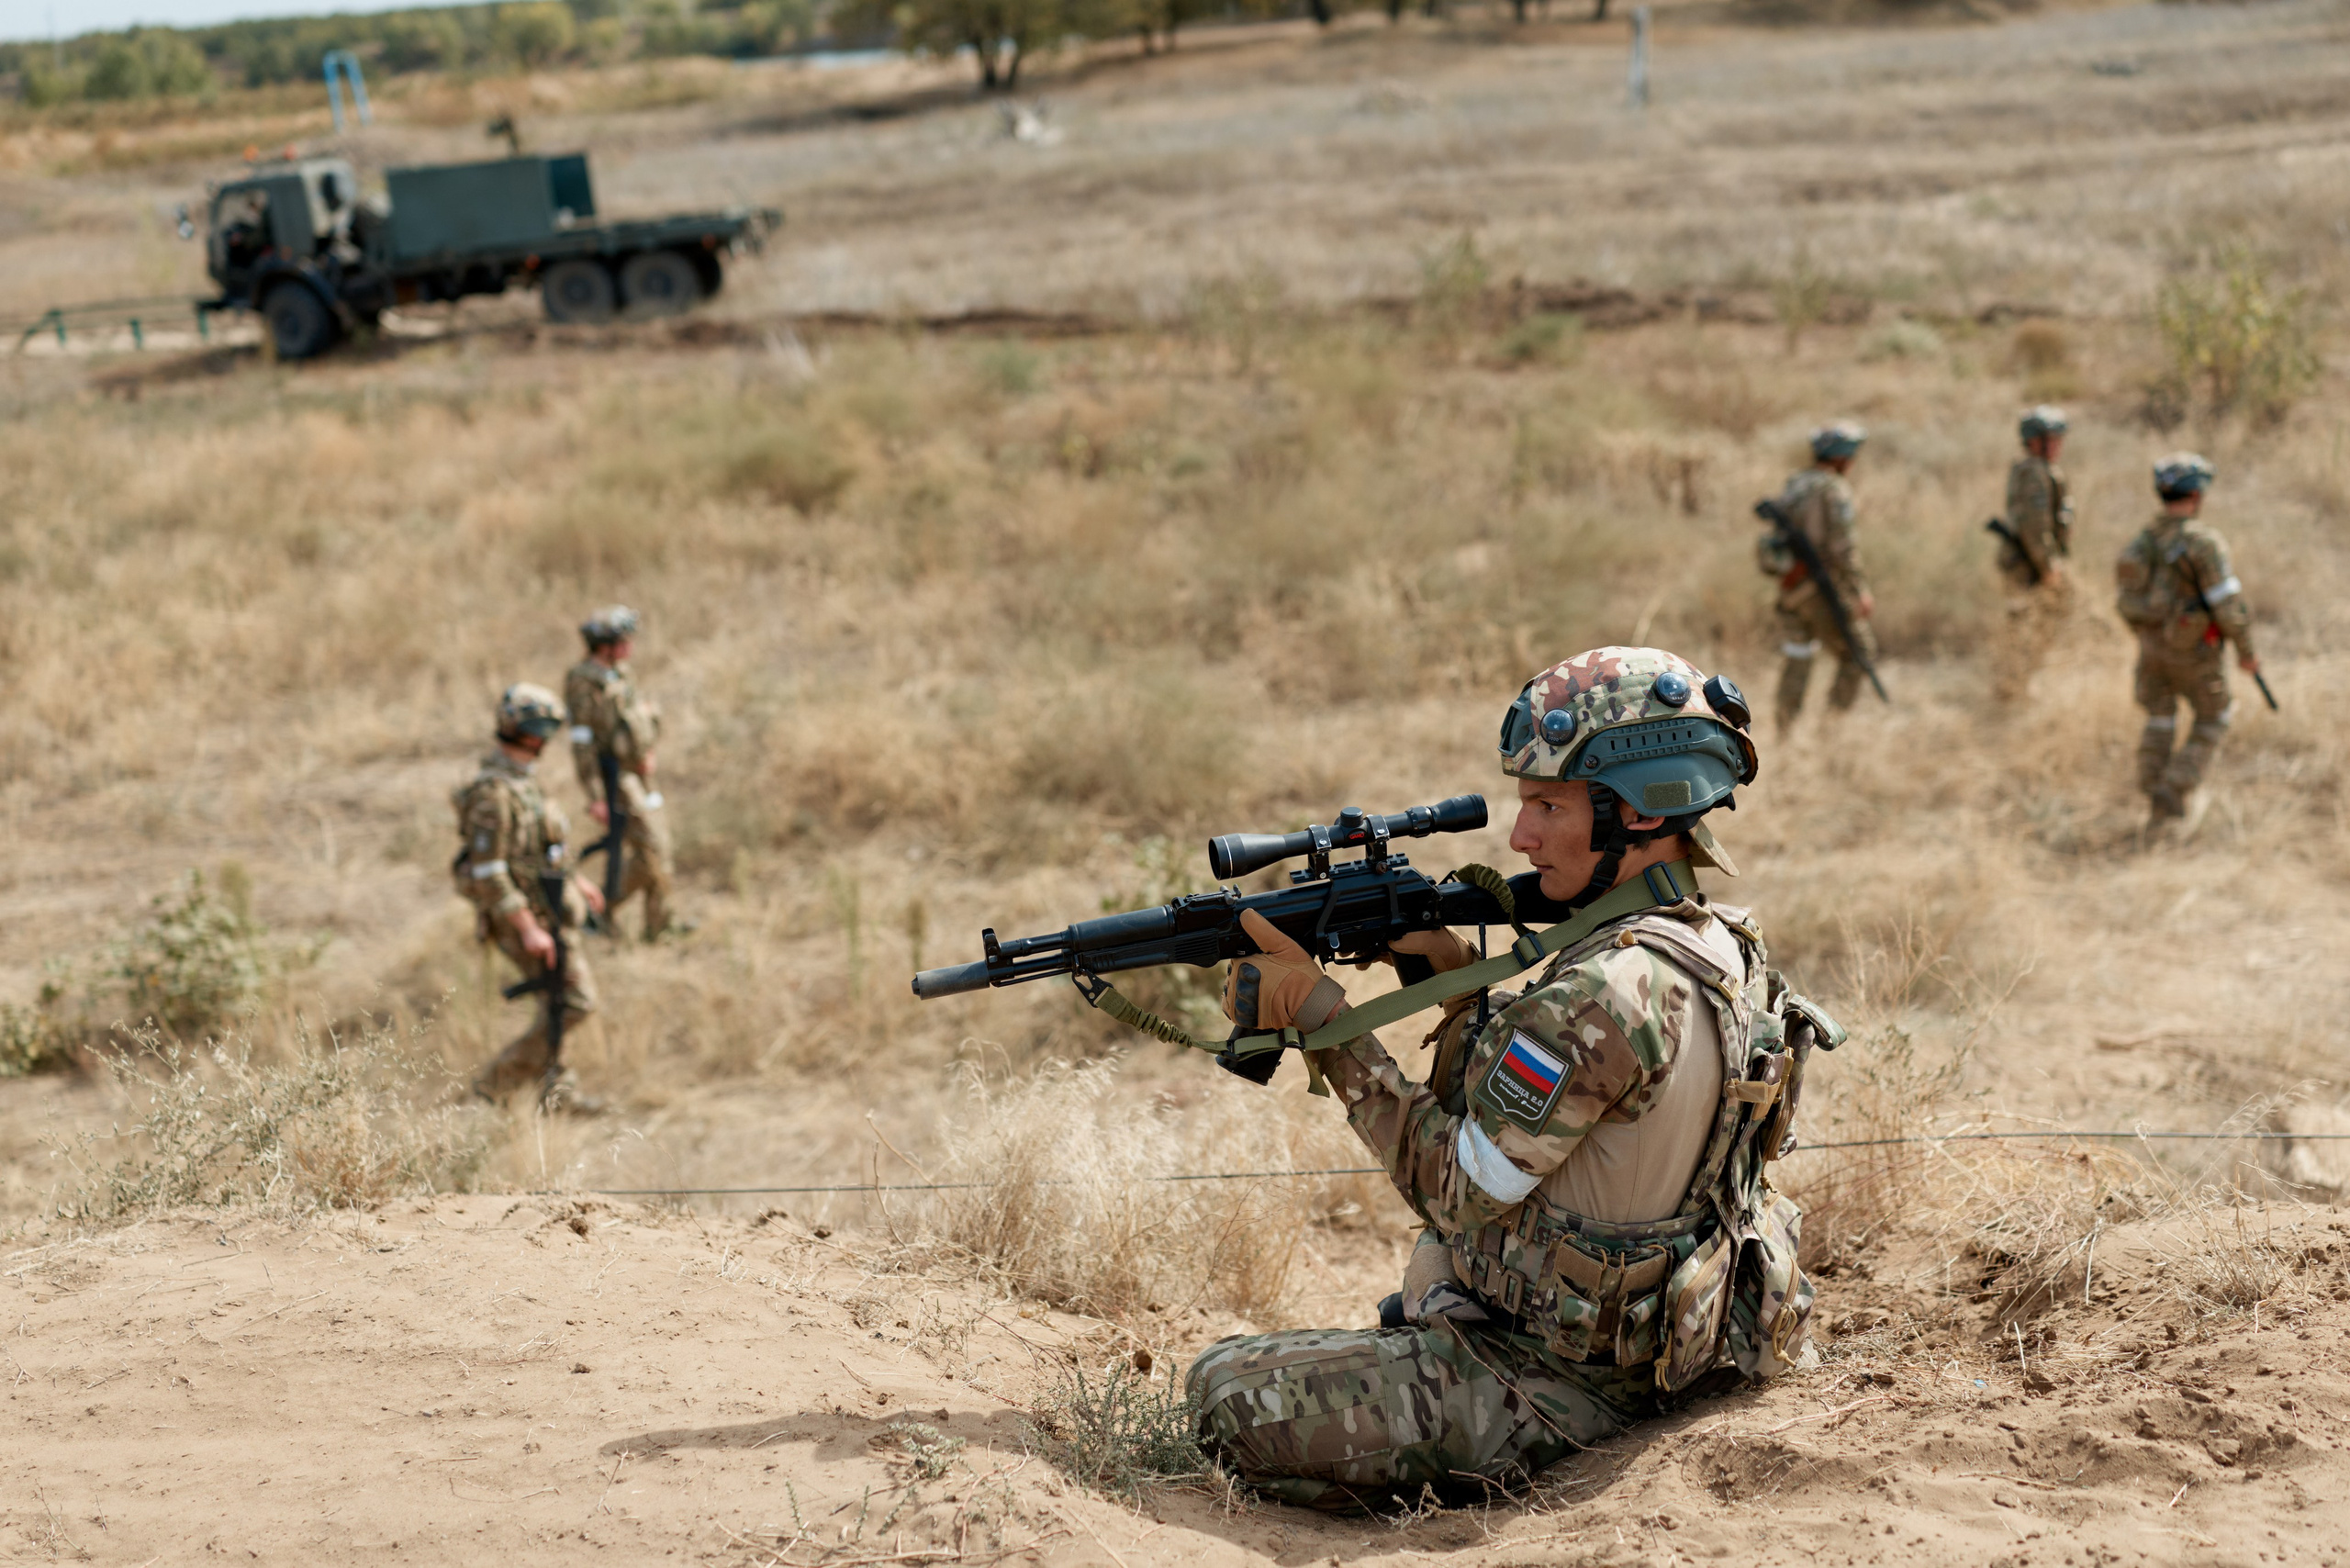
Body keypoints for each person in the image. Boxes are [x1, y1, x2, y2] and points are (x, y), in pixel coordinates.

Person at [1186, 647, 1836, 1511]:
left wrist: (1324, 1024)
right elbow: (1561, 1122)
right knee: (1431, 1269)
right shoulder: (1713, 942)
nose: (1521, 837)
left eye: (1548, 805)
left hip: (1562, 1381)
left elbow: (1459, 1191)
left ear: (1638, 814)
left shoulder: (1604, 990)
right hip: (1677, 1342)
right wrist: (1451, 985)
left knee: (1223, 1390)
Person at [454, 683, 605, 1109]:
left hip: (551, 909)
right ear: (532, 733)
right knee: (576, 1002)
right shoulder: (493, 792)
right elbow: (489, 871)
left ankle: (559, 1093)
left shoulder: (522, 782)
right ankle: (492, 1087)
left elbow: (545, 848)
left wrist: (577, 881)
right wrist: (527, 928)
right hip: (524, 918)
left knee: (557, 1003)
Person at [2115, 454, 2260, 829]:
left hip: (2151, 653)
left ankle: (2153, 791)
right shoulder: (2204, 543)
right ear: (2196, 495)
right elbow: (2227, 607)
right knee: (2215, 717)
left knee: (2160, 718)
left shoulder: (2143, 542)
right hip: (2195, 654)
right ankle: (2175, 786)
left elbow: (2127, 603)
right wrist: (2248, 653)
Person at [565, 606, 682, 941]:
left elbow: (638, 717)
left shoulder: (621, 673)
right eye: (622, 640)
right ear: (604, 645)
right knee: (651, 848)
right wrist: (595, 796)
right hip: (615, 777)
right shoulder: (583, 681)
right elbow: (582, 741)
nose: (629, 646)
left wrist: (649, 752)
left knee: (662, 847)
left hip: (640, 772)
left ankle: (661, 923)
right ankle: (601, 909)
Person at [1762, 421, 1876, 734]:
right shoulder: (1833, 488)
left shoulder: (1796, 483)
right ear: (1840, 457)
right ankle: (1831, 730)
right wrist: (1859, 591)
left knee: (1799, 656)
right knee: (1859, 653)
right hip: (1819, 591)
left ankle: (1784, 730)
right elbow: (1843, 548)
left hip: (1791, 590)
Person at [1989, 406, 2076, 701]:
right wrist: (2049, 566)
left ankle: (2016, 684)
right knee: (2027, 625)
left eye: (2057, 439)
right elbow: (2035, 526)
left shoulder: (2036, 470)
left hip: (2028, 563)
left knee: (2028, 624)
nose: (2056, 445)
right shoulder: (2035, 472)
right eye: (2049, 439)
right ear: (2033, 441)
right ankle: (2013, 686)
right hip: (2028, 566)